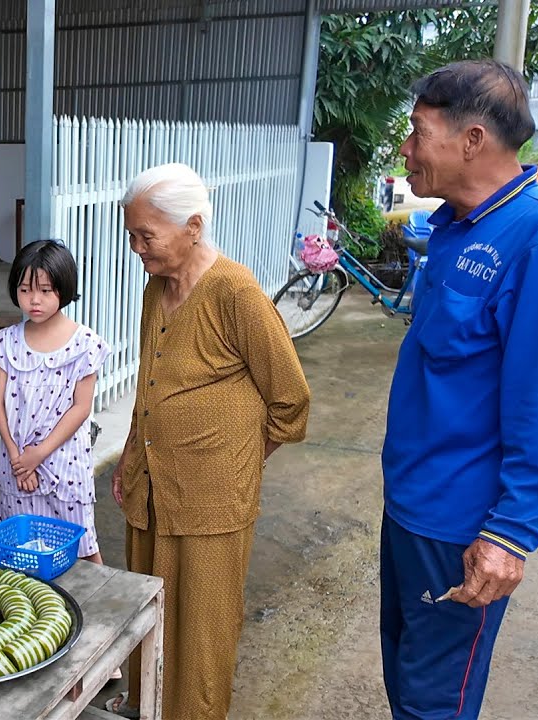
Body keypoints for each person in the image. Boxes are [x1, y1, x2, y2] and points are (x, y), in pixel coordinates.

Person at [382, 60, 538, 719]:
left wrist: (512, 531)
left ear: (473, 139)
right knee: (405, 678)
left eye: (419, 133)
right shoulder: (457, 226)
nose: (407, 149)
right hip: (412, 506)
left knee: (434, 703)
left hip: (462, 527)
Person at [106, 163, 311, 720]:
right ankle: (149, 706)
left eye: (146, 236)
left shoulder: (235, 293)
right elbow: (150, 379)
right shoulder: (157, 289)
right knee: (151, 614)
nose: (136, 248)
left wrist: (235, 461)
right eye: (132, 235)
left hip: (212, 503)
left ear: (193, 227)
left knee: (202, 635)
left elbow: (291, 401)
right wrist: (131, 454)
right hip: (152, 493)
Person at [0, 239, 110, 564]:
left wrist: (38, 455)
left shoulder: (85, 345)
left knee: (82, 548)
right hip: (17, 467)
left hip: (64, 464)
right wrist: (18, 459)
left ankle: (103, 612)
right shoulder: (6, 342)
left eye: (45, 290)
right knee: (22, 549)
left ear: (64, 288)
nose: (34, 300)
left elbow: (81, 408)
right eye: (26, 290)